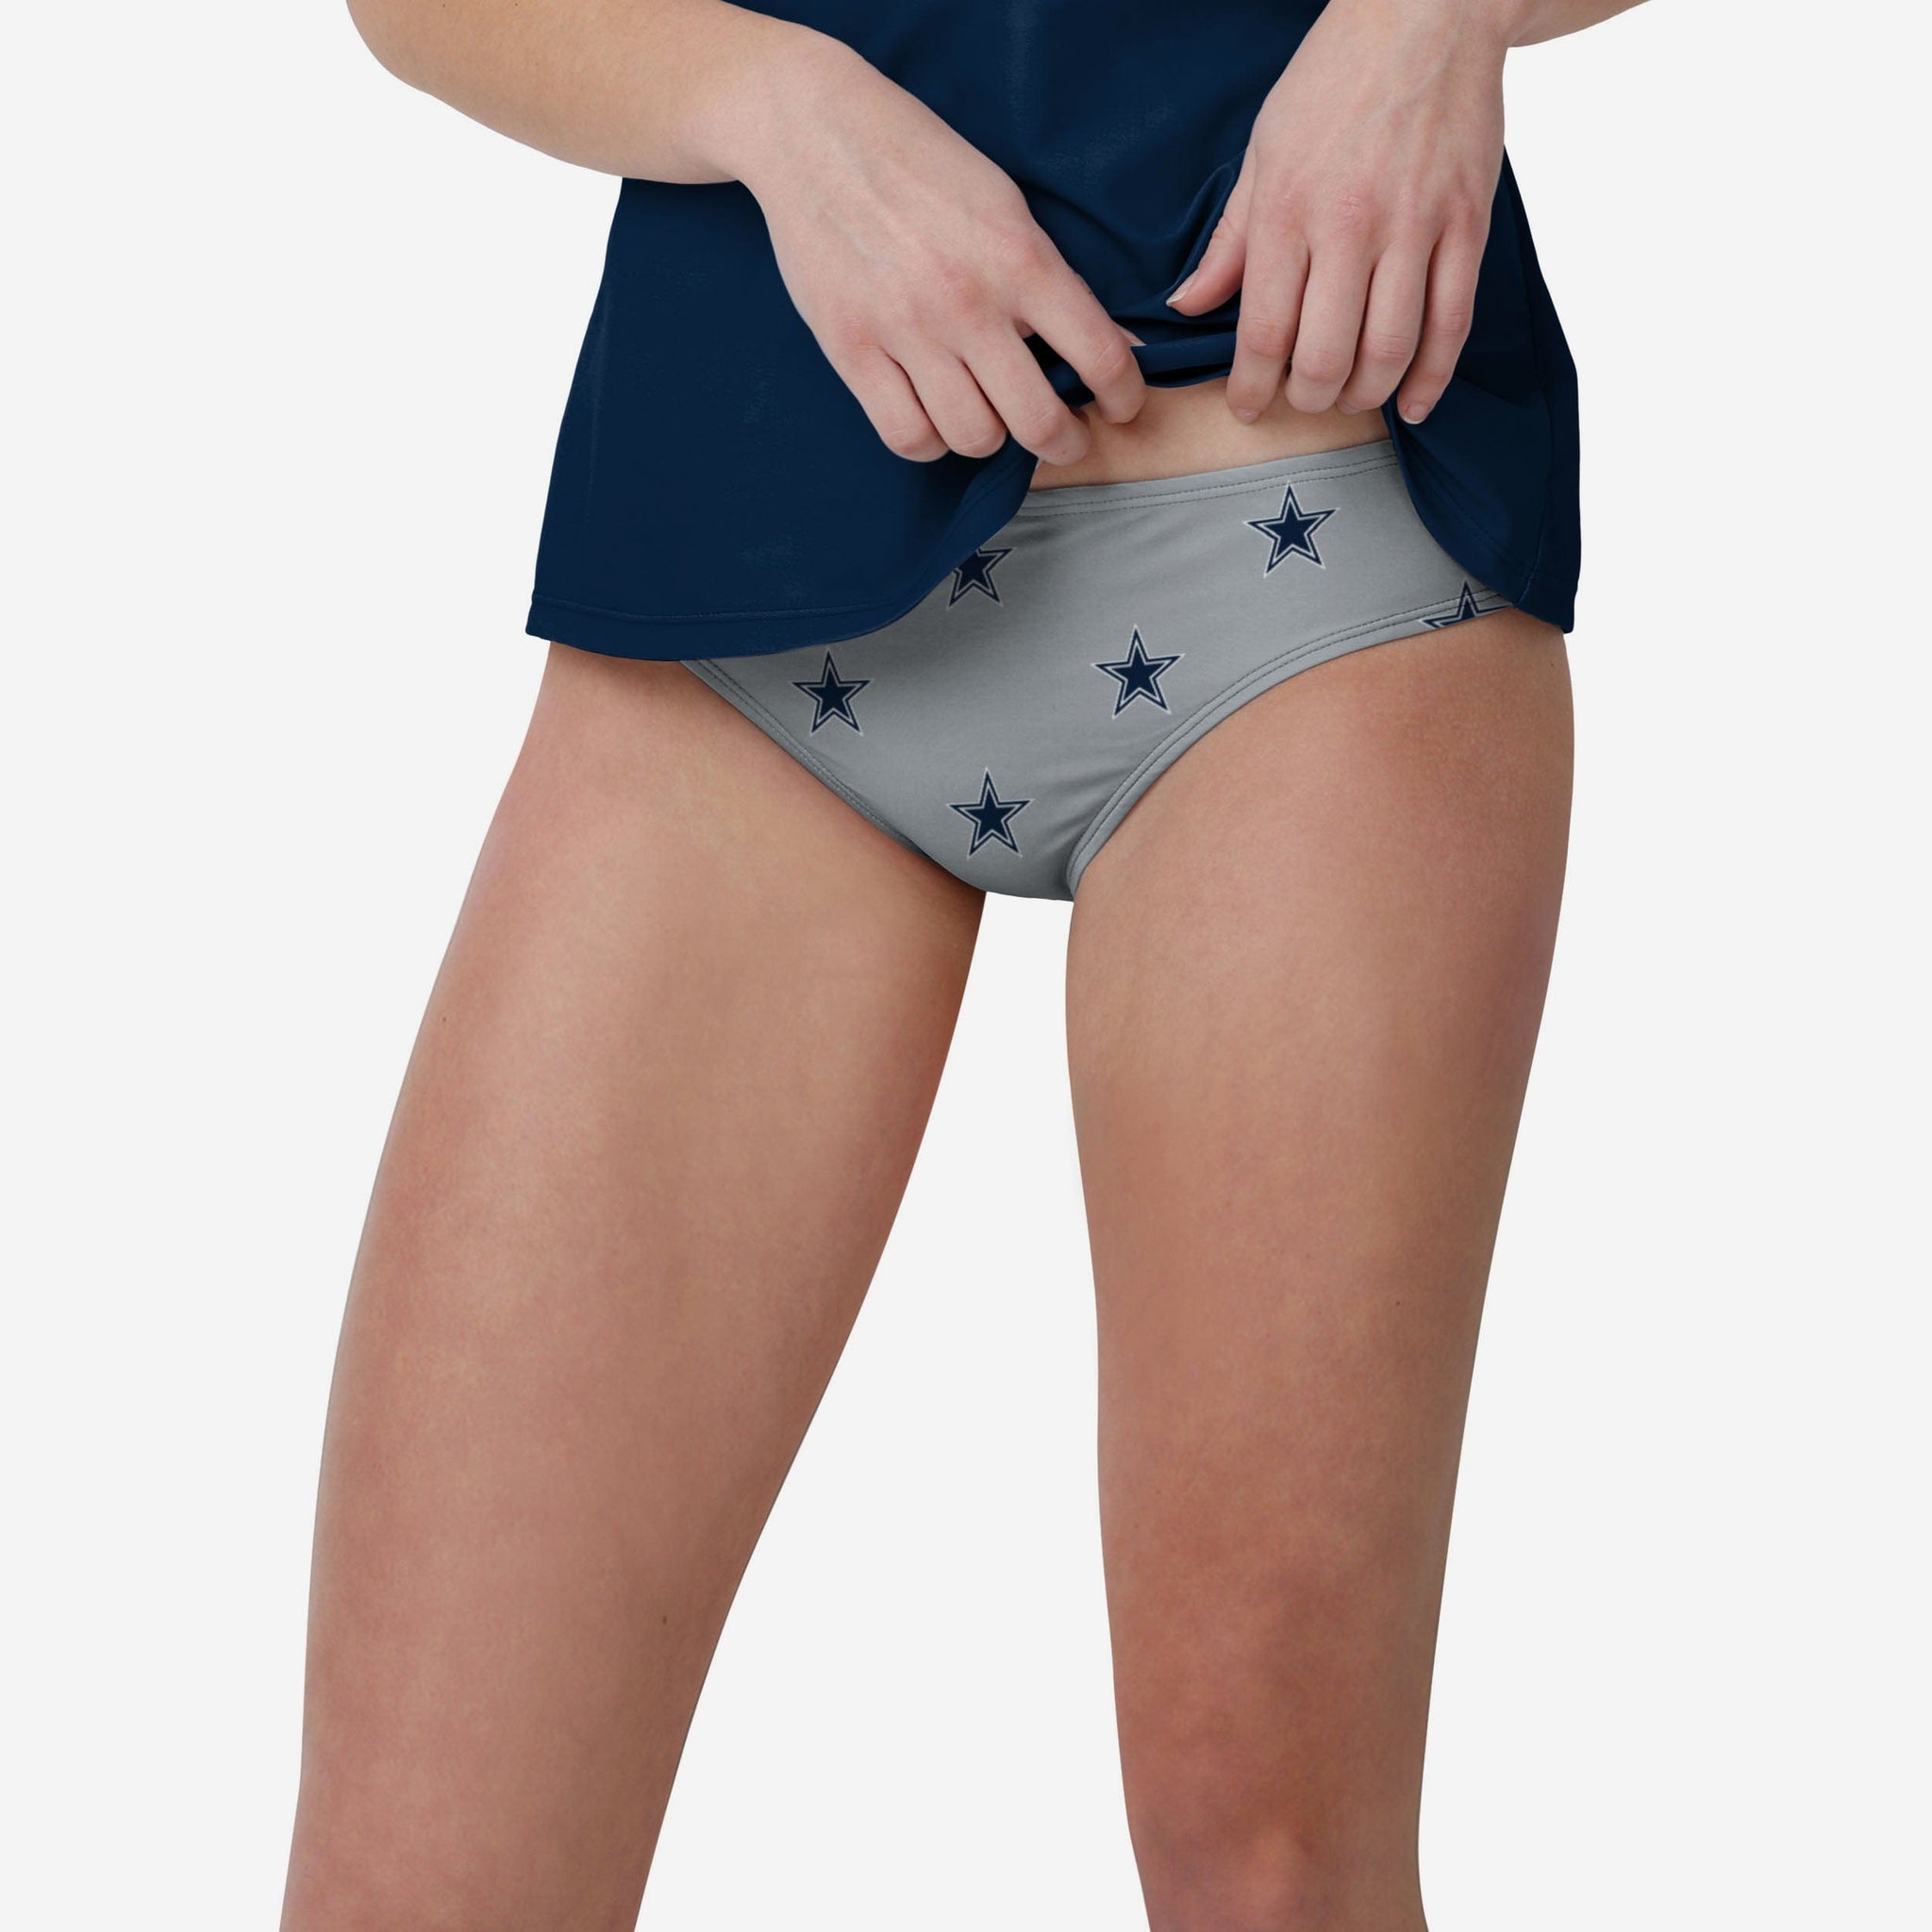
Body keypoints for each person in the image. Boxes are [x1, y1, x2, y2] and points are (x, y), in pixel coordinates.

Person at [282, 1, 1642, 1924]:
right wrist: (780, 109)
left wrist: (1432, 21)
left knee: (1263, 1862)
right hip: (741, 561)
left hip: (1308, 521)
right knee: (416, 1886)